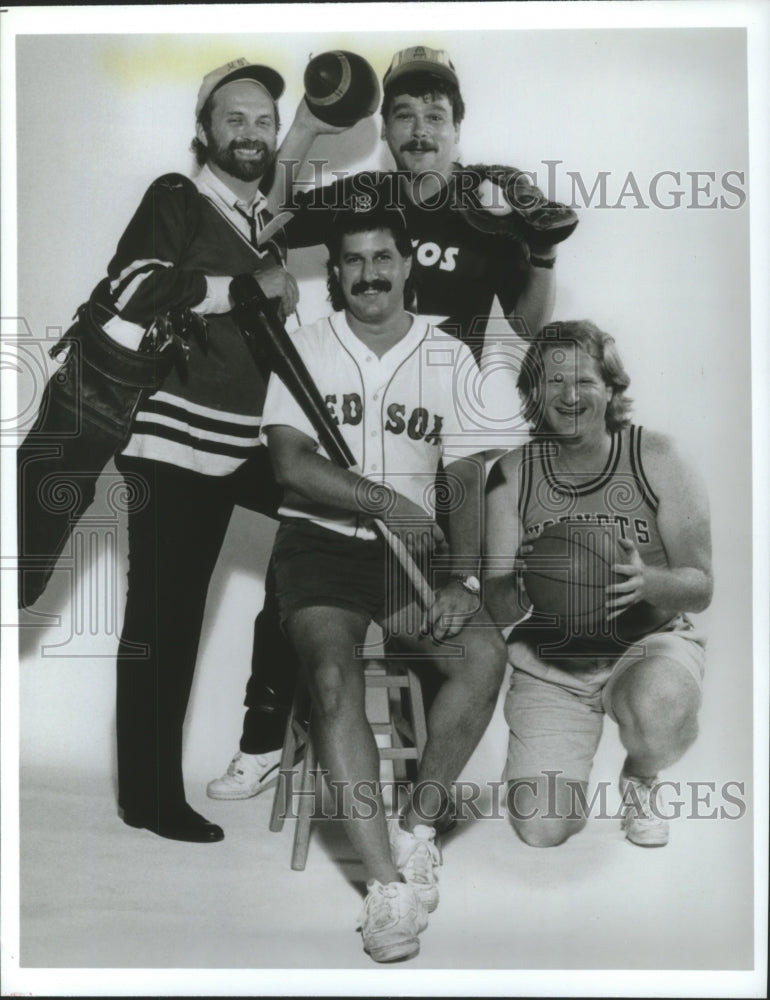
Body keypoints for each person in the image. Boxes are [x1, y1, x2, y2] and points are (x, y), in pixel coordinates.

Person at [209, 44, 576, 799]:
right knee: (303, 554)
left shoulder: (491, 201)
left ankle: (414, 769)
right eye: (403, 115)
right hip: (353, 418)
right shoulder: (369, 194)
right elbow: (268, 215)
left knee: (432, 587)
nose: (418, 129)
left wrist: (539, 253)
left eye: (433, 116)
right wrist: (306, 132)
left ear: (456, 127)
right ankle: (261, 738)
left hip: (438, 430)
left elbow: (529, 328)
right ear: (386, 129)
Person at [260, 202, 507, 961]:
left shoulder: (449, 356)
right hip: (320, 549)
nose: (368, 274)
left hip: (415, 562)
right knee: (332, 679)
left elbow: (465, 475)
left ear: (407, 265)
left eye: (382, 258)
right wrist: (381, 500)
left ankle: (419, 827)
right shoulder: (302, 345)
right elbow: (291, 463)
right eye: (352, 261)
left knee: (481, 655)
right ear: (334, 273)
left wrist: (463, 578)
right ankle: (384, 888)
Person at [109, 58, 302, 843]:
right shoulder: (178, 196)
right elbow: (129, 288)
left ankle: (265, 728)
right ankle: (149, 799)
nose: (250, 132)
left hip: (240, 443)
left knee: (332, 523)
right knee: (166, 619)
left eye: (263, 121)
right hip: (171, 445)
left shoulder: (261, 222)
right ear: (205, 130)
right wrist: (243, 289)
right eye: (235, 118)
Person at [484, 321, 713, 848]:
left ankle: (640, 778)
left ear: (610, 389)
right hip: (552, 660)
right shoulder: (512, 474)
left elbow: (700, 586)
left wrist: (647, 581)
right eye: (553, 381)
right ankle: (544, 761)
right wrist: (523, 583)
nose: (569, 395)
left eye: (584, 380)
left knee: (662, 707)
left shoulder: (659, 458)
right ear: (532, 393)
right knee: (543, 829)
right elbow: (495, 600)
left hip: (644, 645)